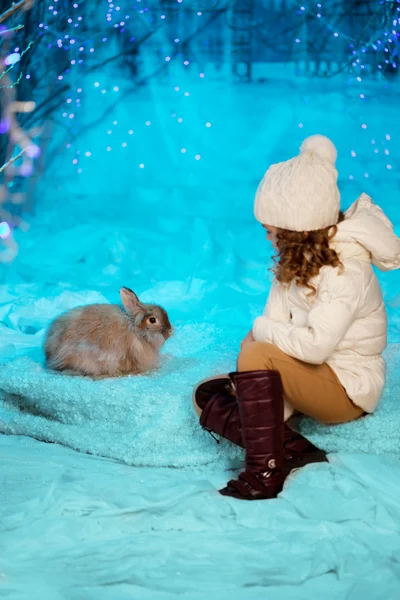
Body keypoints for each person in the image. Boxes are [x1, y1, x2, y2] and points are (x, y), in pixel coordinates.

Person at [193, 134, 400, 501]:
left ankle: (265, 472)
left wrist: (258, 337)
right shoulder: (292, 263)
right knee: (207, 394)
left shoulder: (345, 271)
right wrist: (256, 375)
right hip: (309, 372)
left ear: (294, 229)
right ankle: (295, 450)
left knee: (255, 355)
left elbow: (315, 347)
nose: (267, 238)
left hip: (347, 389)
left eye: (271, 230)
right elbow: (275, 325)